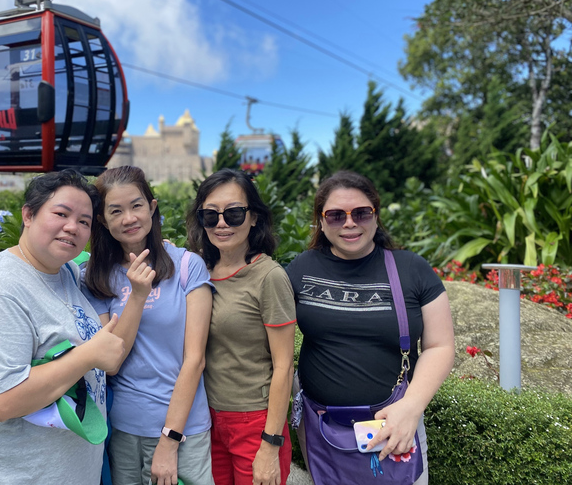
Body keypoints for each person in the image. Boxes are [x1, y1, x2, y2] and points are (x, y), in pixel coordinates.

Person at [0, 170, 126, 484]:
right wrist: (88, 356)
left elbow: (97, 260)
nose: (72, 227)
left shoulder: (64, 272)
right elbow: (0, 401)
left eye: (85, 221)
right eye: (61, 214)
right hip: (17, 473)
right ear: (28, 215)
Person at [285, 170, 455, 484]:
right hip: (319, 426)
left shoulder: (412, 269)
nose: (350, 223)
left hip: (396, 422)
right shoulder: (302, 269)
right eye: (336, 215)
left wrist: (412, 407)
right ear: (321, 222)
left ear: (376, 215)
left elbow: (440, 345)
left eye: (361, 213)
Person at [82, 166, 214, 485]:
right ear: (102, 219)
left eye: (137, 205)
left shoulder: (186, 266)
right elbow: (112, 361)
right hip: (125, 430)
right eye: (116, 210)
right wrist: (137, 297)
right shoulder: (96, 276)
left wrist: (169, 440)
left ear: (152, 208)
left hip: (184, 431)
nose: (129, 218)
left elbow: (194, 360)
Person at [186, 169, 296, 485]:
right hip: (206, 419)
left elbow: (284, 366)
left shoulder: (268, 277)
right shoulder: (197, 271)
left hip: (255, 422)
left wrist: (270, 443)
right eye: (210, 215)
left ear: (254, 218)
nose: (222, 223)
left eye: (234, 213)